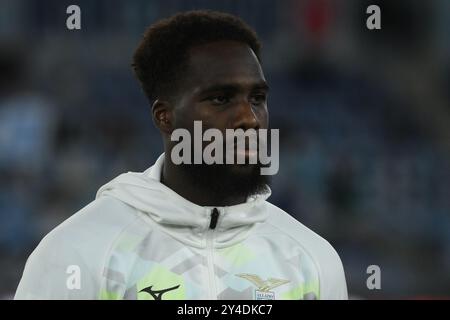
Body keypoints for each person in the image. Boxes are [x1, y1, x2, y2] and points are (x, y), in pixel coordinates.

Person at [15, 10, 347, 300]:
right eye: (221, 98)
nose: (249, 118)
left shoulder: (311, 260)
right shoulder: (78, 253)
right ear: (165, 116)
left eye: (257, 98)